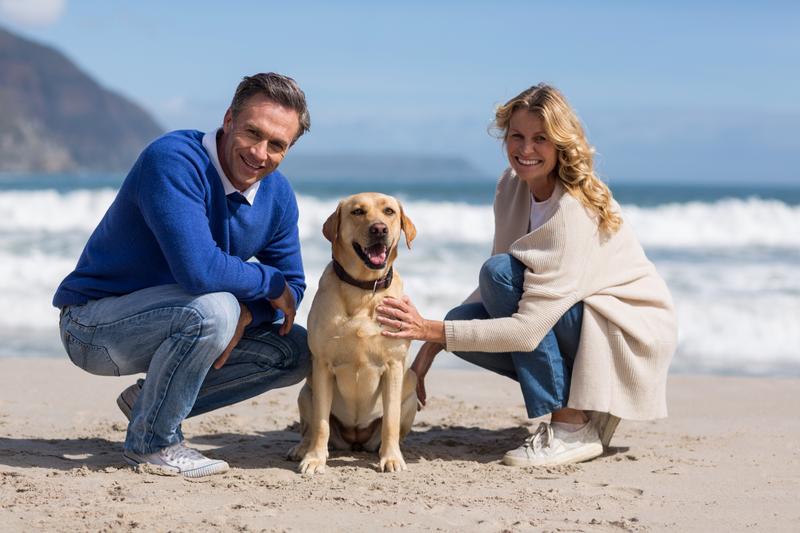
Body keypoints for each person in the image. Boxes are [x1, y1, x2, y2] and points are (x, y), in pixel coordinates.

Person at [376, 84, 677, 467]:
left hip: (625, 332)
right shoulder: (511, 186)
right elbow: (501, 285)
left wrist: (424, 329)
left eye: (540, 139)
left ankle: (571, 427)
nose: (526, 150)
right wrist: (429, 349)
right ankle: (585, 408)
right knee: (463, 321)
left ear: (561, 143)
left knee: (496, 279)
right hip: (580, 318)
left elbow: (525, 327)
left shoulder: (572, 211)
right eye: (516, 136)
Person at [53, 72, 312, 478]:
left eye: (277, 145)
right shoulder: (174, 159)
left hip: (185, 320)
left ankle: (149, 405)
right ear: (228, 119)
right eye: (252, 133)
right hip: (94, 327)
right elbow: (199, 270)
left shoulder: (277, 196)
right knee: (216, 309)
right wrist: (266, 287)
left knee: (298, 351)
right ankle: (153, 443)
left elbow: (293, 291)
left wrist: (252, 314)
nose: (260, 153)